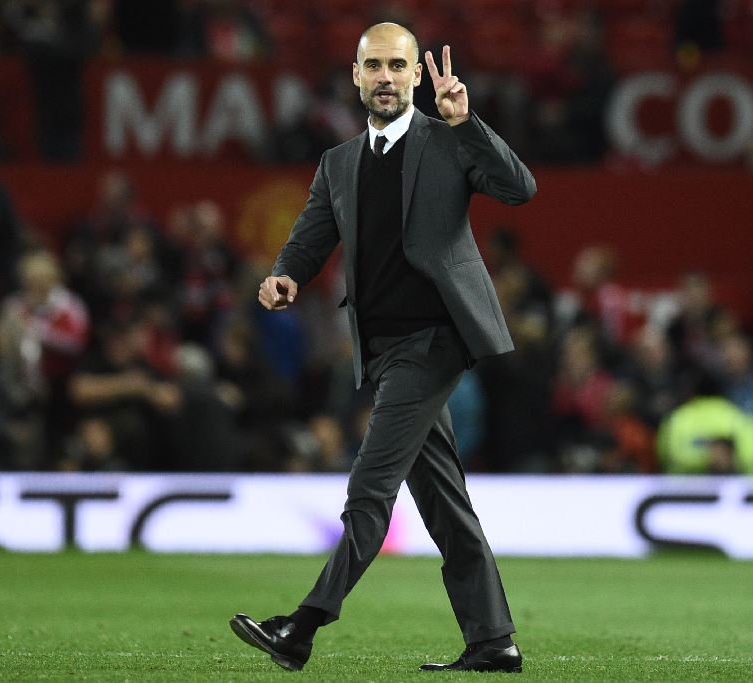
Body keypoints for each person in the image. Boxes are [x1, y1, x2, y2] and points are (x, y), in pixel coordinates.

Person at [228, 22, 534, 674]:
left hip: (437, 341)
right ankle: (493, 639)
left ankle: (302, 625)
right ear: (358, 76)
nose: (388, 77)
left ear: (417, 77)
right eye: (376, 67)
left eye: (400, 65)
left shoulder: (447, 140)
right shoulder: (338, 163)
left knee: (370, 487)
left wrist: (468, 123)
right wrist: (287, 273)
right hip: (385, 351)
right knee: (445, 504)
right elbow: (312, 233)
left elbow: (519, 187)